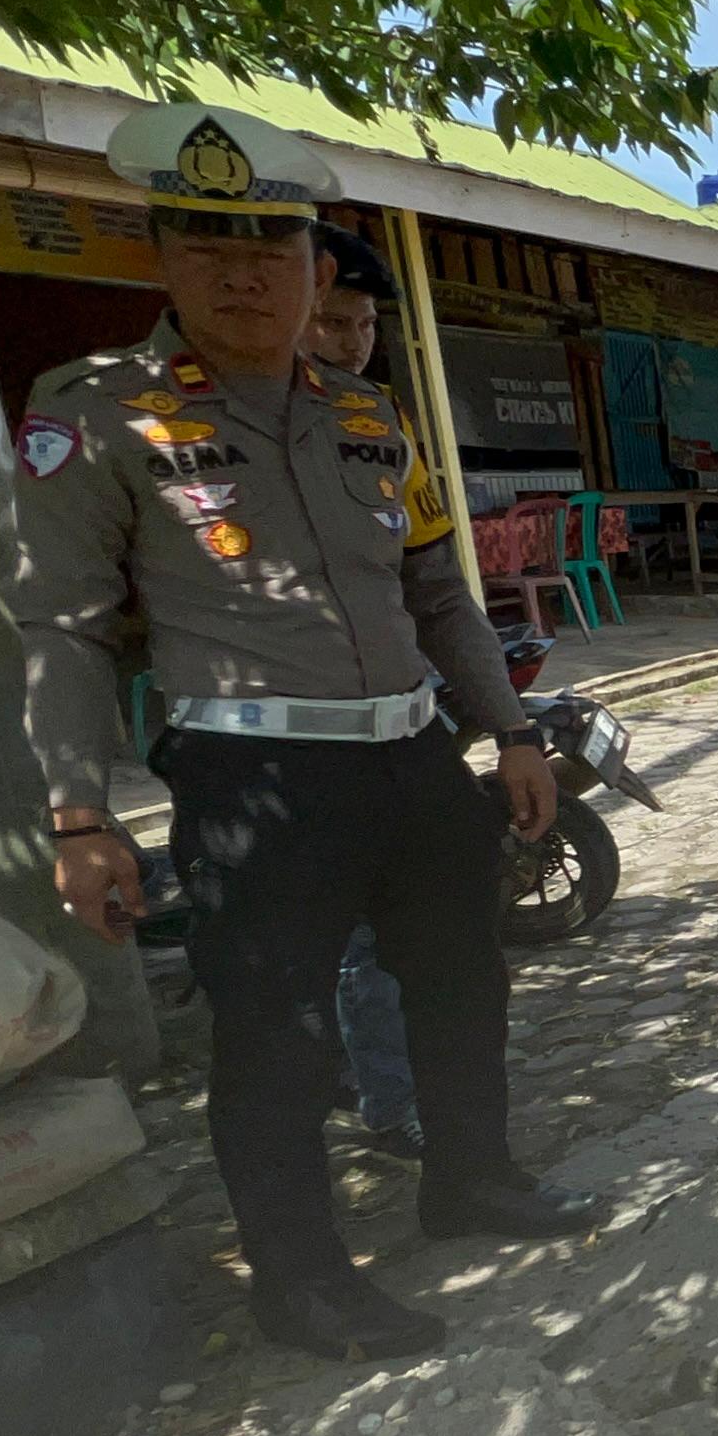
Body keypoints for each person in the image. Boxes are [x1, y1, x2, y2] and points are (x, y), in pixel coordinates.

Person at [12, 105, 606, 1362]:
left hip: (411, 756)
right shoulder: (101, 413)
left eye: (271, 252)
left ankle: (473, 1178)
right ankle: (301, 1285)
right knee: (276, 1038)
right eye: (209, 247)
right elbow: (62, 626)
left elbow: (438, 592)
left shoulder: (366, 414)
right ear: (163, 257)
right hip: (254, 774)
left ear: (311, 268)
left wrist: (509, 734)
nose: (244, 277)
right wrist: (77, 813)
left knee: (460, 982)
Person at [305, 221, 428, 1158]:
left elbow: (433, 575)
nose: (351, 342)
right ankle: (387, 1103)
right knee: (354, 945)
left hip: (400, 714)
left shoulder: (381, 424)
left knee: (401, 934)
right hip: (286, 741)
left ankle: (406, 1097)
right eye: (332, 321)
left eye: (364, 324)